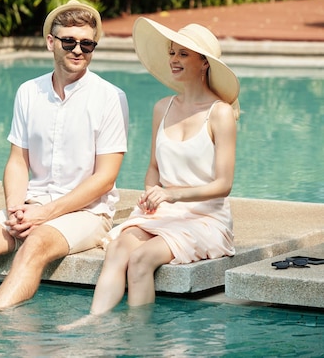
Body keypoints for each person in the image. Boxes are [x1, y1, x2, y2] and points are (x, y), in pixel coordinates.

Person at [0, 0, 129, 325]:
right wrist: (15, 208)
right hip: (32, 205)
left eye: (87, 44)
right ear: (51, 42)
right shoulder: (28, 92)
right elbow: (17, 161)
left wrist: (44, 214)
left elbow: (106, 178)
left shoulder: (110, 97)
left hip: (87, 212)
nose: (78, 50)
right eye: (69, 41)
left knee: (36, 244)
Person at [59, 17, 240, 330]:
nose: (173, 59)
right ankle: (94, 321)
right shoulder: (162, 107)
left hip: (205, 219)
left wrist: (172, 194)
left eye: (183, 54)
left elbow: (223, 185)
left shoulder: (220, 113)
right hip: (165, 213)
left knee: (141, 259)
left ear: (204, 63)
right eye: (172, 52)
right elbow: (154, 169)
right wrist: (151, 195)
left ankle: (139, 336)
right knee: (118, 247)